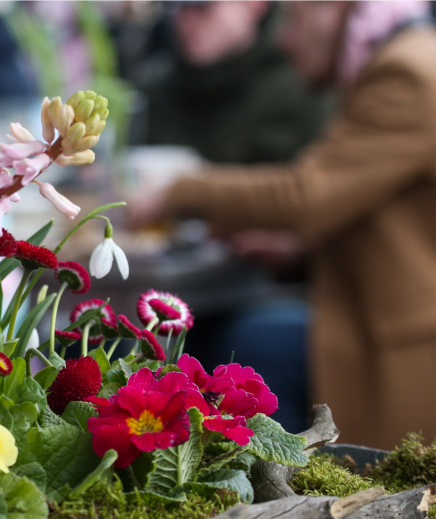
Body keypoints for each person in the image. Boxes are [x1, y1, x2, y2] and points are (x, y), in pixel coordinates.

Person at [133, 0, 436, 448]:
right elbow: (388, 216)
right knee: (229, 339)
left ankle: (287, 492)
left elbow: (307, 194)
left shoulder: (405, 72)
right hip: (380, 317)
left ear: (335, 9)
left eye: (294, 17)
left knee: (247, 345)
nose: (285, 39)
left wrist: (178, 190)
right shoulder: (401, 55)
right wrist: (297, 256)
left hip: (404, 341)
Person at [137, 0, 327, 164]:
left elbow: (302, 192)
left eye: (202, 6)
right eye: (176, 5)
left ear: (255, 4)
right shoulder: (152, 88)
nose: (187, 19)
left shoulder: (302, 89)